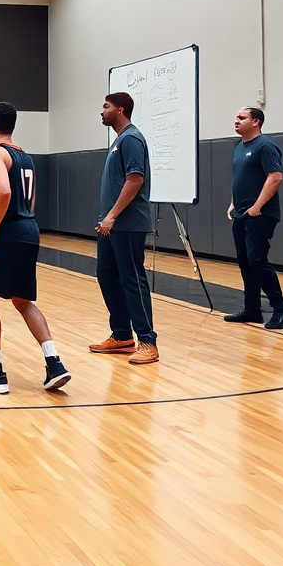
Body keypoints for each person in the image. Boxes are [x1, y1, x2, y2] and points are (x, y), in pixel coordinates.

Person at [0, 102, 70, 395]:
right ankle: (54, 363)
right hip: (29, 230)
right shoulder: (27, 157)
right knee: (23, 300)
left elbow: (4, 190)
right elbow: (26, 198)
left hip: (7, 231)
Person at [90, 93, 158, 364]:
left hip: (127, 224)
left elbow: (135, 179)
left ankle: (148, 341)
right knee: (106, 275)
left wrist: (113, 216)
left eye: (105, 107)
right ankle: (121, 335)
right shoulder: (119, 140)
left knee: (132, 279)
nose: (101, 111)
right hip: (111, 226)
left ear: (120, 110)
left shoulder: (130, 138)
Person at [225, 106, 283, 329]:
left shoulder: (266, 146)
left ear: (256, 122)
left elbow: (275, 177)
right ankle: (252, 309)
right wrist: (234, 203)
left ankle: (281, 309)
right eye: (236, 117)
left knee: (257, 260)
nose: (236, 120)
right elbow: (242, 179)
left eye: (242, 118)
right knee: (245, 262)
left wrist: (256, 207)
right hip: (242, 214)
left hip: (260, 214)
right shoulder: (239, 148)